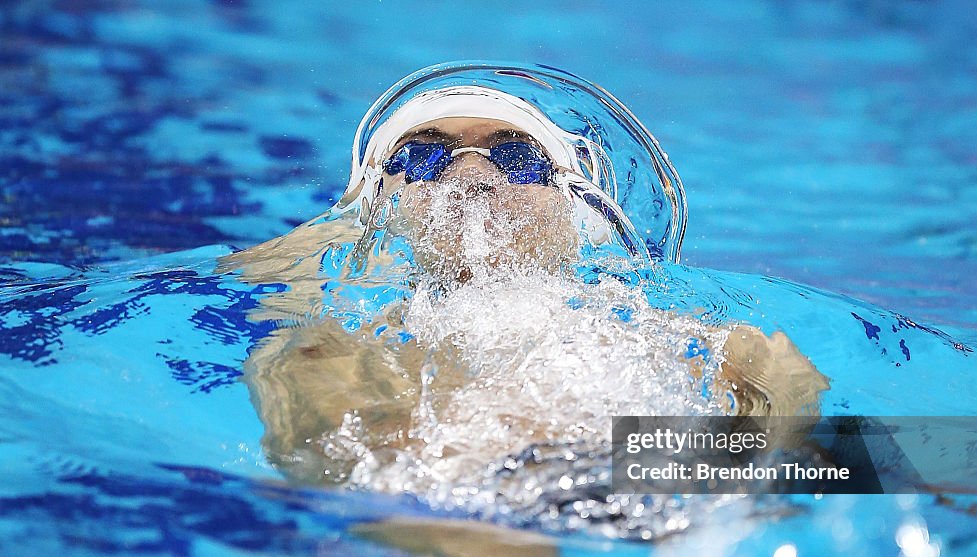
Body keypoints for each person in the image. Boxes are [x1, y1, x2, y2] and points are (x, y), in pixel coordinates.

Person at [222, 81, 829, 497]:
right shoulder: (343, 346)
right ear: (390, 205)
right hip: (466, 508)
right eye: (425, 157)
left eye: (515, 156)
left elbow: (841, 465)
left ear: (574, 208)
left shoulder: (707, 339)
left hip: (649, 489)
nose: (470, 172)